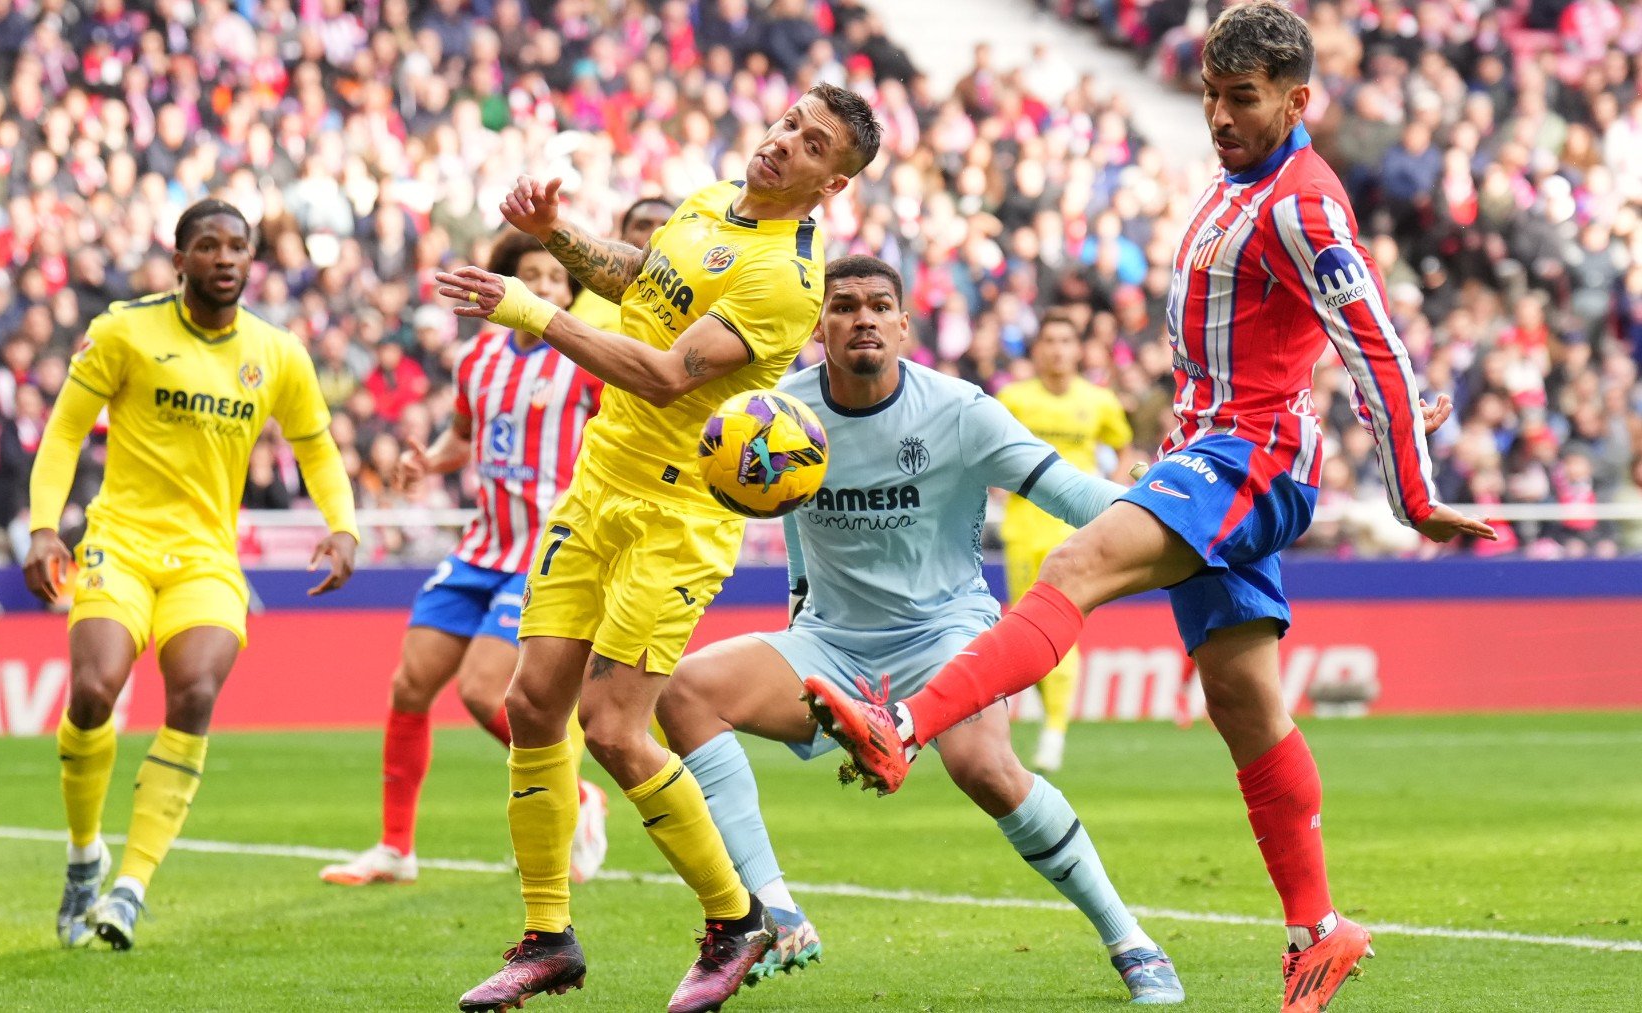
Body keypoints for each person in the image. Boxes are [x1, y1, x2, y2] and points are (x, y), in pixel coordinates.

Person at [801, 7, 1495, 1013]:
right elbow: (1330, 329)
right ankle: (1319, 927)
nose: (1218, 114)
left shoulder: (1303, 201)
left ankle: (901, 724)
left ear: (1298, 101)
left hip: (1243, 457)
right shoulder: (1234, 183)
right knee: (1244, 701)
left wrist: (1416, 488)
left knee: (1072, 568)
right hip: (1207, 449)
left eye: (1241, 98)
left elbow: (1371, 334)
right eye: (1211, 94)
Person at [435, 83, 881, 1013]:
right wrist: (560, 234)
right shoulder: (714, 198)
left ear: (832, 184)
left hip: (676, 520)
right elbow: (643, 281)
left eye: (810, 144)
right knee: (530, 704)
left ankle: (737, 917)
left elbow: (669, 375)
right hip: (599, 484)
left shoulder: (787, 278)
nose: (781, 143)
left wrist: (533, 311)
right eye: (788, 123)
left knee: (613, 727)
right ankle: (548, 937)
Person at [656, 256, 1185, 1004]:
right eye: (843, 306)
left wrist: (1178, 509)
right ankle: (774, 909)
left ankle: (1131, 940)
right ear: (820, 328)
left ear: (906, 325)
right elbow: (793, 522)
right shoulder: (780, 415)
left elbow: (1075, 495)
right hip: (832, 642)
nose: (862, 317)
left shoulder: (961, 410)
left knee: (985, 768)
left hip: (946, 633)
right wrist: (799, 612)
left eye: (879, 305)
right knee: (686, 692)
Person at [27, 199, 359, 951]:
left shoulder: (278, 354)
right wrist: (44, 525)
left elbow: (317, 447)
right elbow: (65, 431)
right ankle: (86, 856)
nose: (224, 257)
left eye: (237, 246)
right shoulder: (124, 331)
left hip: (207, 558)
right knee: (91, 690)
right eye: (206, 245)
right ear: (179, 260)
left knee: (197, 690)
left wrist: (344, 528)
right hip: (120, 541)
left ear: (251, 259)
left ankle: (131, 886)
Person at [319, 230, 609, 888]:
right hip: (482, 544)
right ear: (504, 286)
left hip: (546, 548)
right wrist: (429, 459)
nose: (545, 286)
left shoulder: (586, 360)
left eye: (558, 279)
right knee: (409, 686)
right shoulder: (478, 358)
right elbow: (463, 437)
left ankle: (579, 795)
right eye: (531, 274)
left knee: (484, 690)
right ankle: (396, 847)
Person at [997, 309, 1136, 773]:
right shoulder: (1013, 399)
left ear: (1079, 349)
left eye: (1065, 340)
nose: (1057, 349)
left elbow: (1124, 448)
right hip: (1023, 530)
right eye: (1049, 340)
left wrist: (1116, 495)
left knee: (1063, 627)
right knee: (1027, 632)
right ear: (1036, 350)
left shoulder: (1098, 401)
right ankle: (1047, 719)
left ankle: (1055, 730)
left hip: (1076, 533)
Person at [566, 197, 677, 333]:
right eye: (643, 226)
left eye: (667, 227)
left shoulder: (695, 301)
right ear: (623, 238)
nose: (656, 234)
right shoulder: (590, 285)